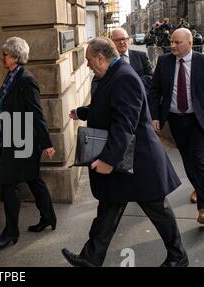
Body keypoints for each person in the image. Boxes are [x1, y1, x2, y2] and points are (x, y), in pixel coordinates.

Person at [62, 37, 188, 267]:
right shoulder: (114, 74)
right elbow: (107, 107)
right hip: (126, 159)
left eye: (89, 60)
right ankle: (91, 258)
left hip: (140, 162)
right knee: (109, 206)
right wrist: (82, 112)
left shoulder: (124, 77)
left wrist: (108, 160)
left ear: (101, 58)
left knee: (157, 209)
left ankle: (178, 257)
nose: (88, 65)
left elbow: (124, 124)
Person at [0, 37, 56, 250]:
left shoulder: (25, 79)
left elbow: (37, 113)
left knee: (9, 184)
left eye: (6, 55)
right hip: (13, 136)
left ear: (16, 57)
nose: (3, 58)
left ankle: (11, 233)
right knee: (32, 178)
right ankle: (48, 217)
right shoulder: (12, 76)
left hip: (23, 139)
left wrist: (46, 143)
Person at [150, 28, 204, 225]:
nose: (172, 45)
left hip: (197, 120)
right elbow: (155, 91)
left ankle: (203, 208)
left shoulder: (201, 61)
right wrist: (155, 116)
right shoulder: (164, 62)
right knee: (188, 162)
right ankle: (199, 189)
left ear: (190, 43)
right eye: (172, 41)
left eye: (177, 42)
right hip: (174, 120)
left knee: (198, 160)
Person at [111, 28, 153, 93]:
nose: (121, 42)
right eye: (118, 40)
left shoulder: (141, 56)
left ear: (128, 40)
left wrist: (133, 82)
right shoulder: (108, 60)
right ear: (112, 42)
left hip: (138, 96)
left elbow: (150, 77)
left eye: (124, 39)